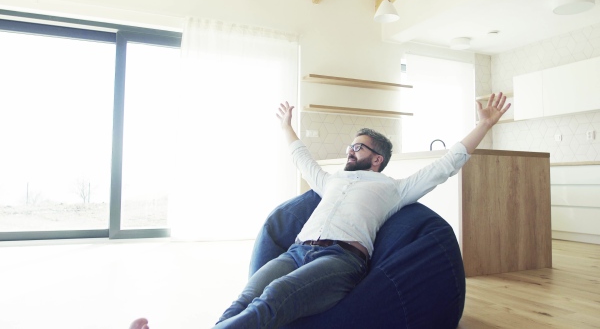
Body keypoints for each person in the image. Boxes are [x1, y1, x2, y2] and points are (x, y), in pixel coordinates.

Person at [130, 93, 510, 329]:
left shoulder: (394, 189)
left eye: (357, 148)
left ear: (377, 160)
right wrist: (286, 126)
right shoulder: (330, 180)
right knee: (246, 298)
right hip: (297, 250)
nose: (349, 150)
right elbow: (302, 158)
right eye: (350, 146)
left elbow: (445, 165)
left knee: (276, 297)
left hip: (340, 258)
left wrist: (483, 125)